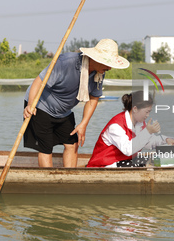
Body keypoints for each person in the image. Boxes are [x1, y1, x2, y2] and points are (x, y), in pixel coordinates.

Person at [23, 39, 129, 168]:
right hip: (41, 104)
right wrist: (30, 104)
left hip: (64, 111)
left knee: (72, 144)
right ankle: (49, 181)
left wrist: (83, 123)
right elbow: (39, 82)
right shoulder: (66, 62)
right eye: (107, 63)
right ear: (96, 59)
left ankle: (70, 177)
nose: (110, 68)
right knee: (46, 146)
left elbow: (93, 98)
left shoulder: (99, 73)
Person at [86, 91, 174, 168]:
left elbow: (148, 142)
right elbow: (128, 149)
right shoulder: (116, 126)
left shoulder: (139, 123)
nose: (147, 115)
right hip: (104, 166)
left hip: (125, 162)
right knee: (148, 165)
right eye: (146, 112)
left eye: (149, 112)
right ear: (135, 109)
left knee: (157, 159)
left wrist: (165, 140)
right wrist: (148, 131)